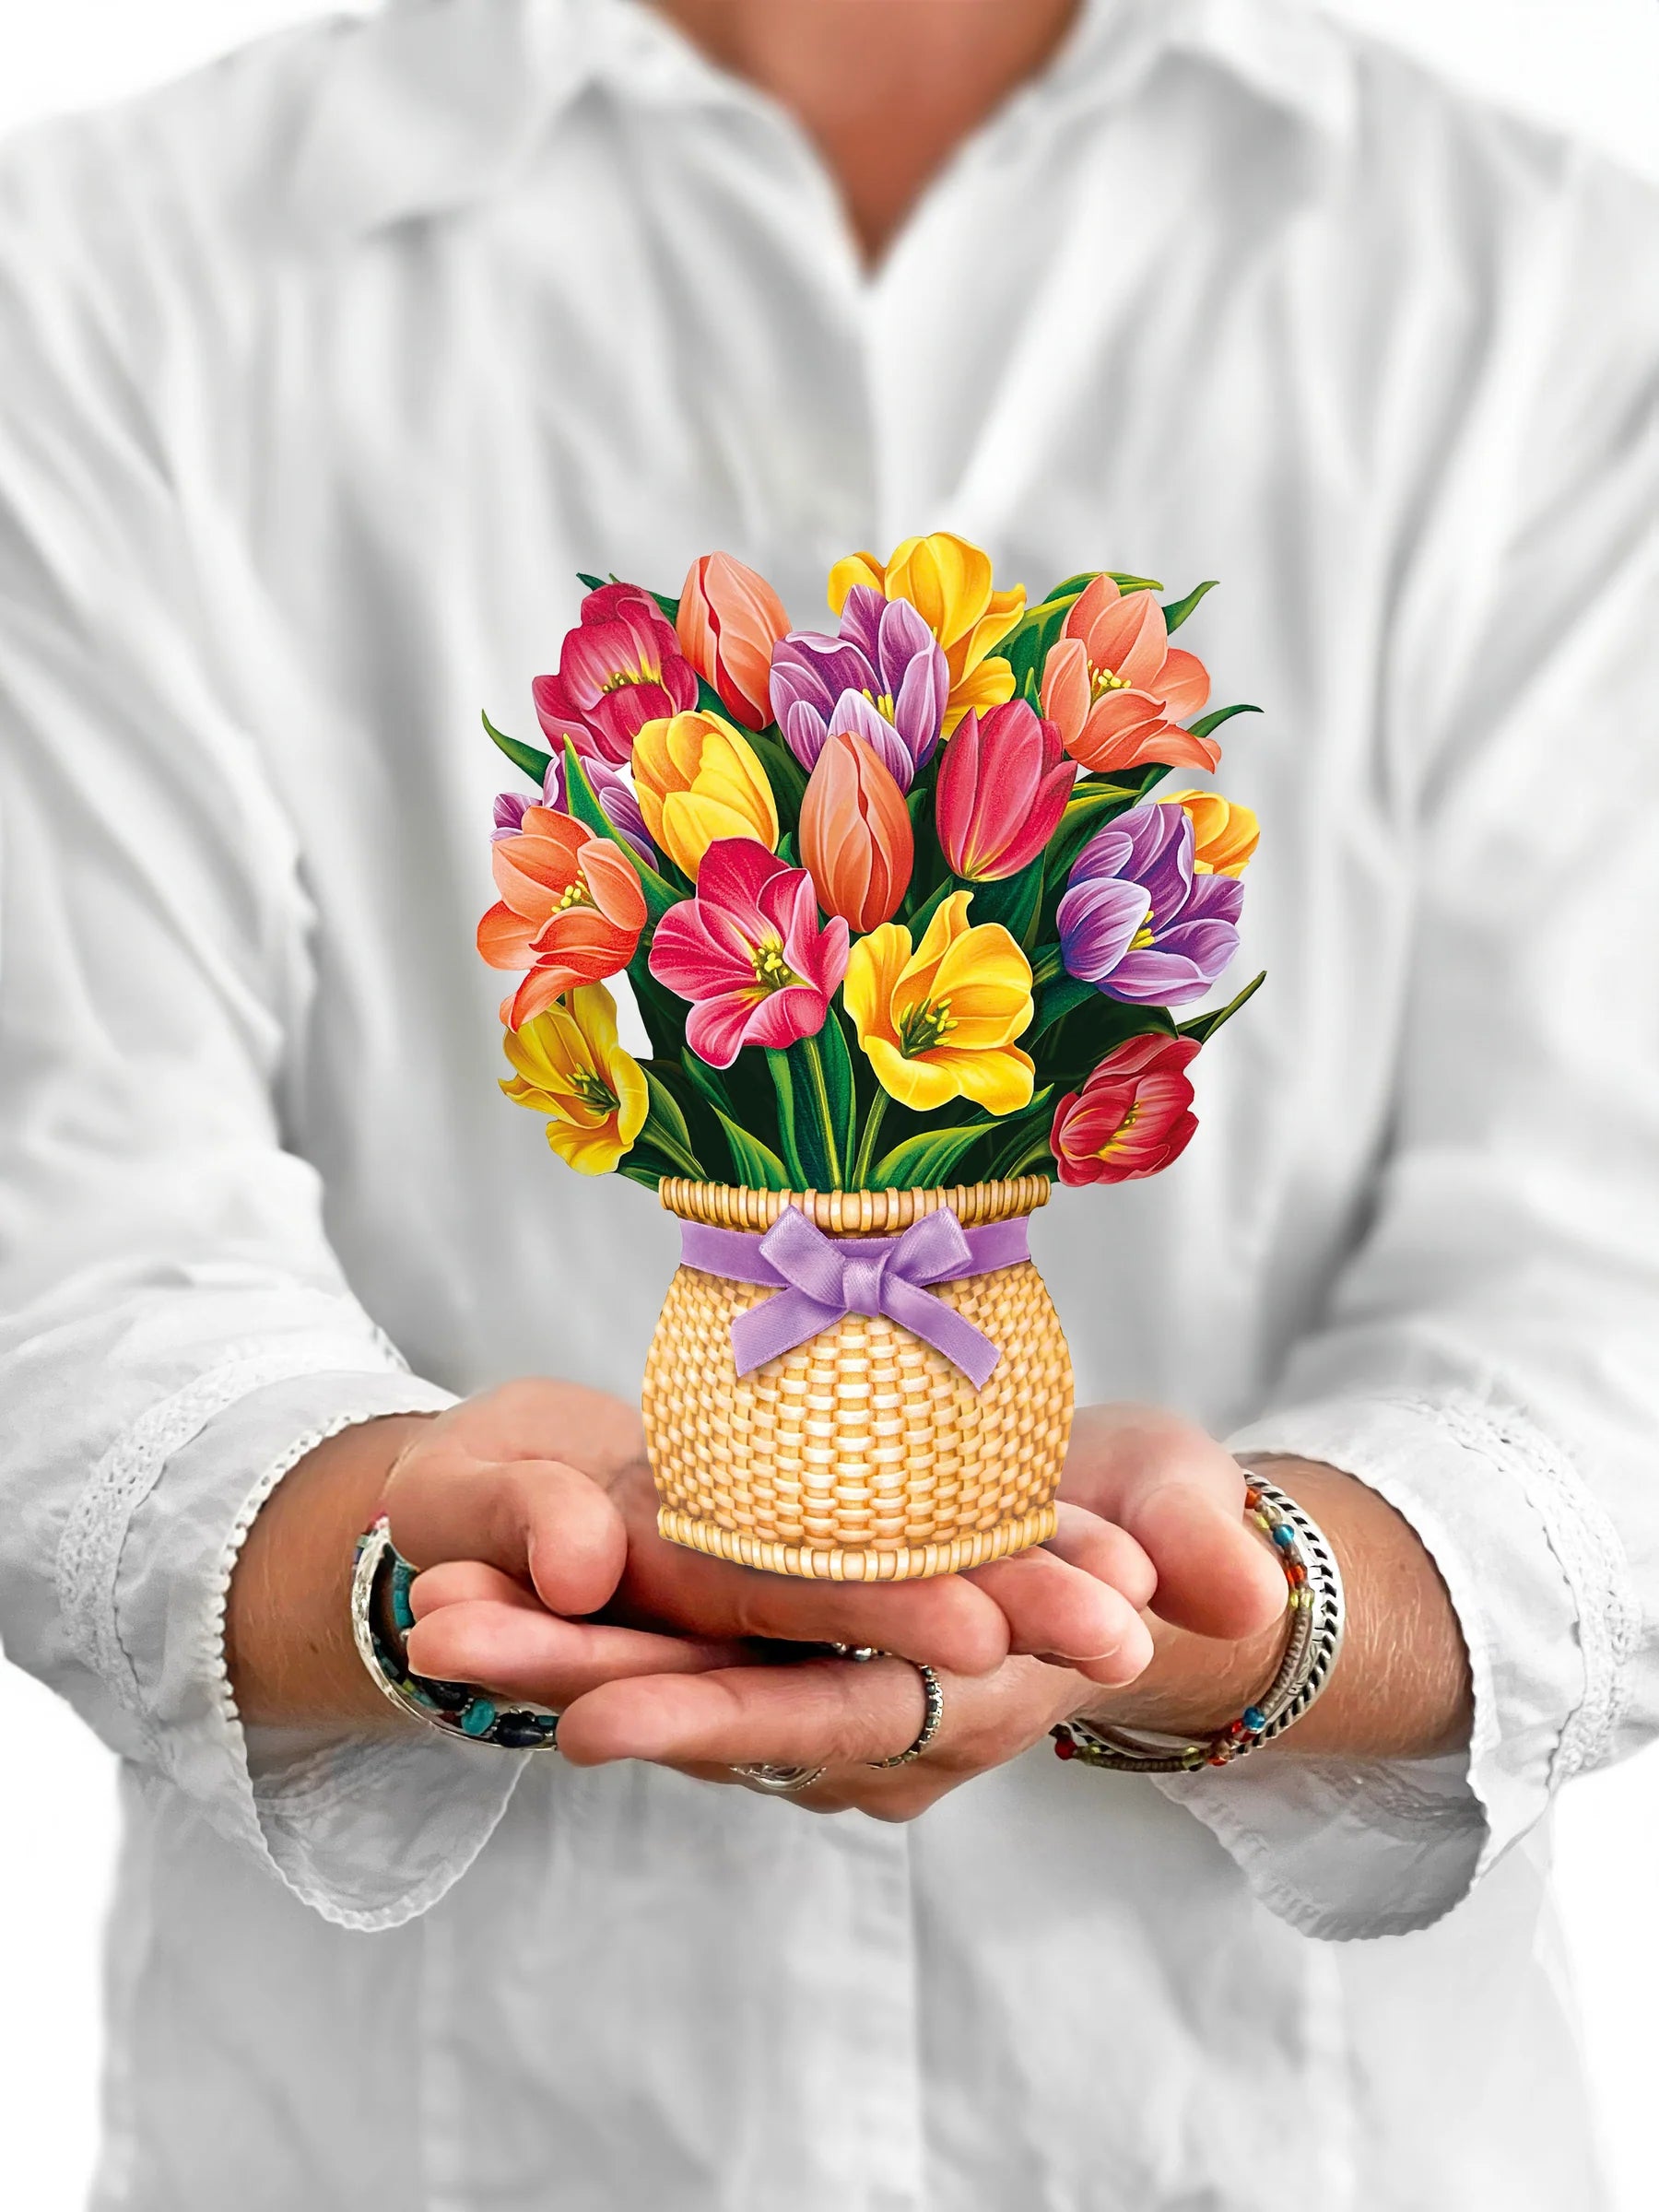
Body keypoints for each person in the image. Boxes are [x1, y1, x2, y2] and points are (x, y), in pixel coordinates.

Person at [0, 0, 1654, 2204]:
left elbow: (1610, 1262)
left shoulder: (1551, 286)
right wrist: (405, 1573)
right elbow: (64, 1229)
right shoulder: (103, 262)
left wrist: (1264, 1621)